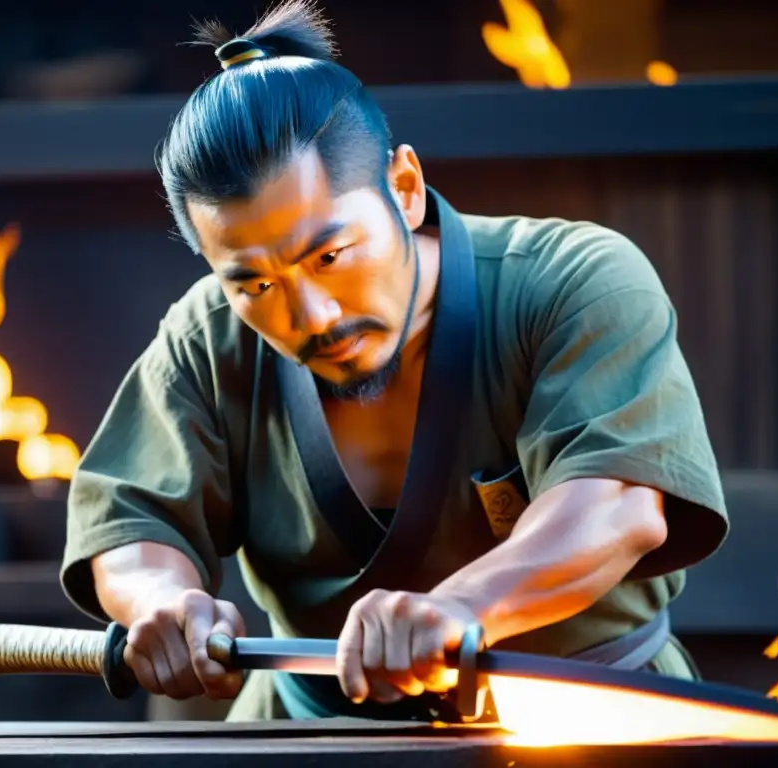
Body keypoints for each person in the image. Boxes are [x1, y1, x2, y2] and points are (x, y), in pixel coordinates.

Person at [60, 0, 729, 722]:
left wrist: (459, 608)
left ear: (404, 189)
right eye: (253, 282)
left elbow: (618, 507)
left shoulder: (574, 281)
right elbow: (131, 521)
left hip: (588, 723)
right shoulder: (209, 337)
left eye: (330, 254)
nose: (311, 315)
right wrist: (162, 602)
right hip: (304, 736)